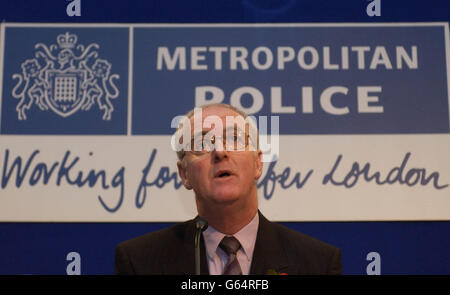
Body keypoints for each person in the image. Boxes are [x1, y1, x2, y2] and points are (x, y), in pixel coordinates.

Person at [115, 103, 342, 275]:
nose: (220, 152)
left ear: (258, 163)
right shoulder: (140, 262)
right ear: (185, 174)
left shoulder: (317, 263)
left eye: (234, 139)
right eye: (202, 144)